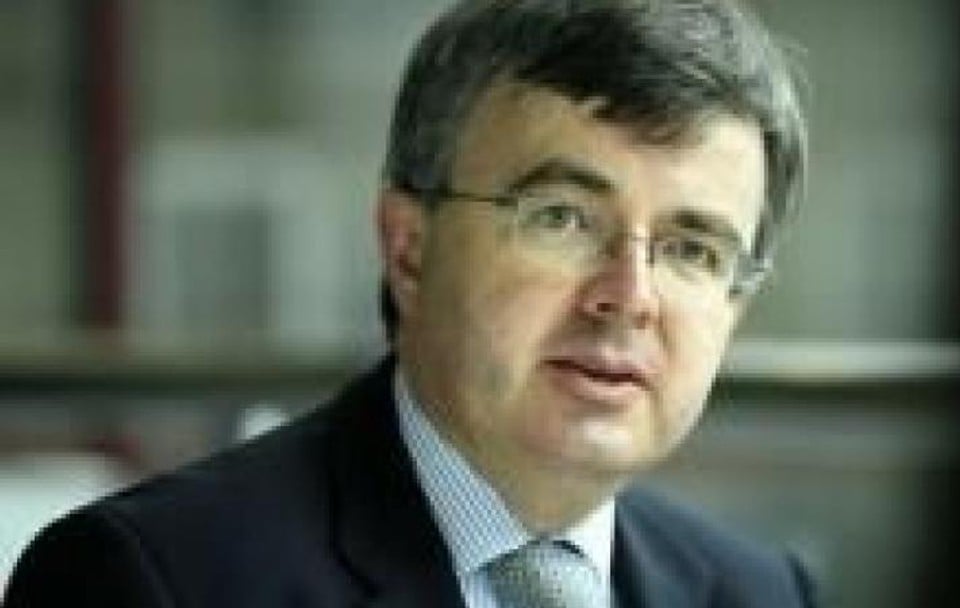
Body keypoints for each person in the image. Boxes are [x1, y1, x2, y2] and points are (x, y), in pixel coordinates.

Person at [4, 0, 811, 606]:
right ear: (409, 249)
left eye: (693, 251)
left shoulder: (762, 593)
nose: (629, 298)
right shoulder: (153, 580)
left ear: (736, 306)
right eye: (562, 219)